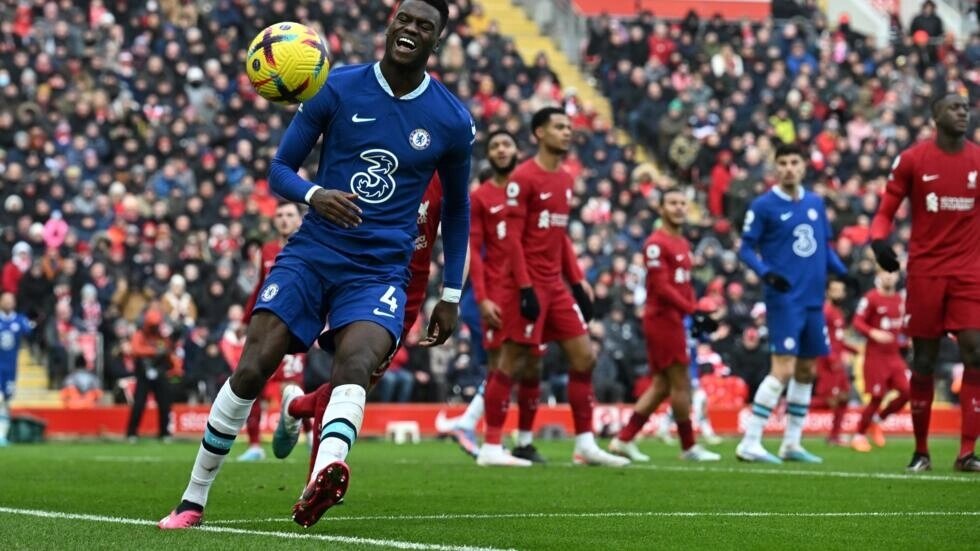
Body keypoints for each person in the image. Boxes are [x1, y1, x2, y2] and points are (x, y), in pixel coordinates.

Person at [159, 0, 473, 529]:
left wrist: (452, 294)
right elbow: (279, 169)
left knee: (356, 366)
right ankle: (192, 499)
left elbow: (459, 211)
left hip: (379, 270)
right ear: (389, 23)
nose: (411, 29)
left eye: (425, 26)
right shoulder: (336, 86)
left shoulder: (451, 119)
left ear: (436, 41)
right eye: (405, 19)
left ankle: (327, 471)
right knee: (253, 365)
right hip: (311, 254)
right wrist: (314, 194)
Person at [476, 107, 627, 468]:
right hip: (523, 283)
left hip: (554, 285)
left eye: (568, 127)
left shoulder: (566, 178)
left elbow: (559, 239)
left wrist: (577, 283)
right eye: (559, 127)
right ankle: (491, 446)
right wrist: (525, 288)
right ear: (539, 133)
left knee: (584, 357)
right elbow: (512, 240)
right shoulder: (523, 178)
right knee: (512, 361)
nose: (567, 132)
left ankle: (586, 444)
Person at [273, 174, 447, 478]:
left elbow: (460, 229)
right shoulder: (380, 155)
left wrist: (451, 296)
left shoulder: (445, 161)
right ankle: (317, 479)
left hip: (411, 287)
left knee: (361, 383)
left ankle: (296, 407)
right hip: (365, 277)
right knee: (349, 379)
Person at [869, 93, 980, 472]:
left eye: (966, 108)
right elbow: (886, 210)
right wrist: (878, 239)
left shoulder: (978, 159)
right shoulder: (914, 159)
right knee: (925, 360)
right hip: (926, 272)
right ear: (936, 115)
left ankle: (966, 452)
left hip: (968, 272)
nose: (963, 113)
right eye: (954, 107)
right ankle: (921, 451)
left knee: (975, 351)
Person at [435, 129, 546, 462]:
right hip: (491, 295)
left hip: (516, 292)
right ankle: (477, 430)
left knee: (522, 363)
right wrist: (478, 297)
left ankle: (477, 427)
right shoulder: (483, 202)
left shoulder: (523, 200)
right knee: (506, 364)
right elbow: (475, 254)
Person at [735, 143, 848, 464]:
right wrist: (766, 274)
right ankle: (751, 442)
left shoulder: (814, 202)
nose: (788, 168)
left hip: (814, 299)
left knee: (807, 370)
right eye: (782, 162)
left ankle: (791, 443)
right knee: (782, 369)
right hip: (784, 298)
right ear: (775, 167)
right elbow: (745, 249)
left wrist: (844, 273)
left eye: (794, 162)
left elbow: (823, 248)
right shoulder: (764, 205)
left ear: (803, 166)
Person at [608, 188, 720, 462]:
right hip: (661, 320)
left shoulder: (681, 242)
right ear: (661, 208)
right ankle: (689, 447)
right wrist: (692, 311)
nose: (679, 207)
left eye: (683, 203)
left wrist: (693, 312)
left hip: (675, 318)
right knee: (680, 383)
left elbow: (684, 285)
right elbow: (661, 286)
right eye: (672, 203)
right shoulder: (656, 243)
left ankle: (623, 440)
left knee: (661, 385)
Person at [237, 201, 306, 462]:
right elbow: (258, 288)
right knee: (252, 381)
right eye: (279, 215)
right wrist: (246, 320)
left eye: (289, 215)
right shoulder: (266, 250)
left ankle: (311, 440)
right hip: (266, 327)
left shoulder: (308, 247)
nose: (284, 219)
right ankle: (254, 444)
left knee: (295, 387)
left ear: (299, 219)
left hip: (295, 328)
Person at [850, 269, 910, 452]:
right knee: (876, 397)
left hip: (894, 356)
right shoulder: (871, 298)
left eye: (892, 273)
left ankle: (877, 420)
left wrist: (908, 338)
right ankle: (858, 435)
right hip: (875, 357)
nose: (889, 277)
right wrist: (873, 332)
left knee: (907, 392)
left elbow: (903, 325)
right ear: (879, 275)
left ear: (897, 277)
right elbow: (857, 322)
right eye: (885, 273)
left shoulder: (900, 300)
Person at [814, 278, 856, 446]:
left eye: (841, 290)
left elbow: (838, 339)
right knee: (828, 400)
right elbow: (822, 337)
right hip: (828, 361)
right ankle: (789, 405)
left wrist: (855, 350)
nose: (839, 293)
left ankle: (834, 435)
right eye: (835, 290)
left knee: (844, 397)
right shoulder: (825, 312)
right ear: (828, 292)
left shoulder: (838, 312)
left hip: (838, 360)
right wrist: (832, 358)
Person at [126, 307, 176, 442]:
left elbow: (166, 349)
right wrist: (154, 351)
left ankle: (164, 433)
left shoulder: (162, 336)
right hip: (143, 373)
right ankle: (131, 433)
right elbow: (136, 350)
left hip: (159, 372)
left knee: (165, 403)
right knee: (139, 403)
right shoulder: (140, 334)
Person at [0, 292, 32, 446]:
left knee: (6, 401)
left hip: (11, 368)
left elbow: (30, 333)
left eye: (10, 300)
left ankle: (2, 436)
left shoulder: (20, 320)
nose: (8, 303)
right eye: (5, 300)